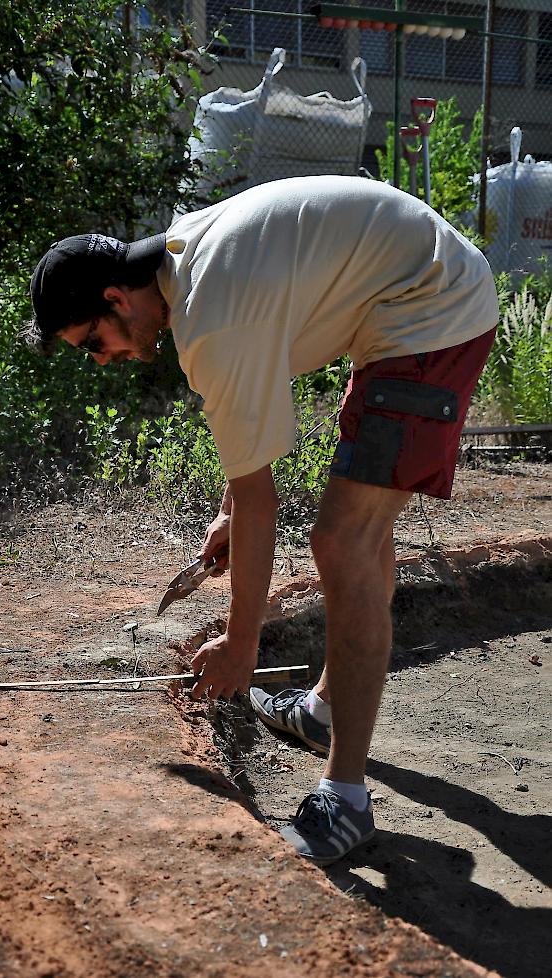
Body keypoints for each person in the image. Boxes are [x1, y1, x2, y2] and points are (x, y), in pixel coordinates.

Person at [27, 175, 498, 865]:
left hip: (431, 307)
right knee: (361, 533)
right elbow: (246, 458)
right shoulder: (186, 263)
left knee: (343, 540)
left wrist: (242, 649)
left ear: (115, 298)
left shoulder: (211, 319)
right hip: (400, 299)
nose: (103, 360)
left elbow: (263, 500)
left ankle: (346, 801)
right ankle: (325, 712)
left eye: (92, 342)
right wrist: (227, 509)